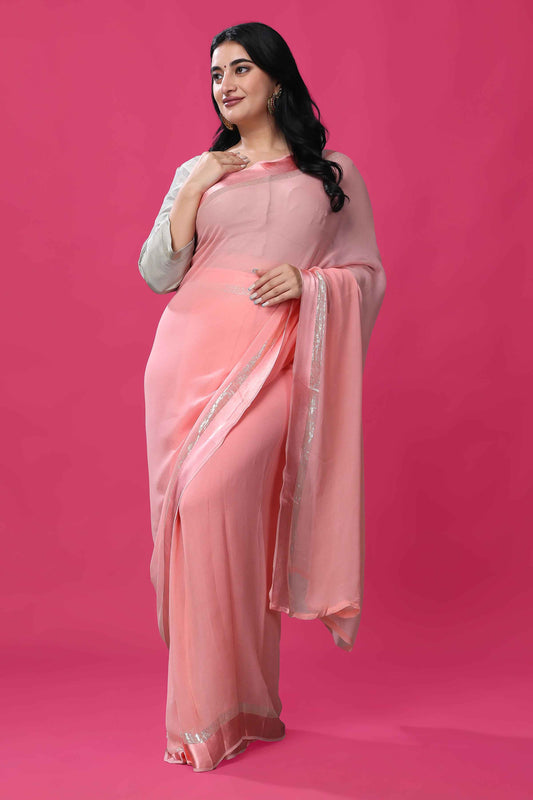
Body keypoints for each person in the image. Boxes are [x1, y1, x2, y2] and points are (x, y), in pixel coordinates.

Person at [138, 21, 387, 773]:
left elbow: (366, 275)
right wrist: (196, 186)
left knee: (217, 501)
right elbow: (157, 272)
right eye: (216, 74)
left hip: (273, 362)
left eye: (241, 68)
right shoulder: (199, 169)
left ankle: (229, 701)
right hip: (186, 359)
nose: (225, 84)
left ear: (277, 79)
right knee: (197, 525)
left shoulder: (331, 174)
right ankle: (226, 711)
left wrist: (309, 285)